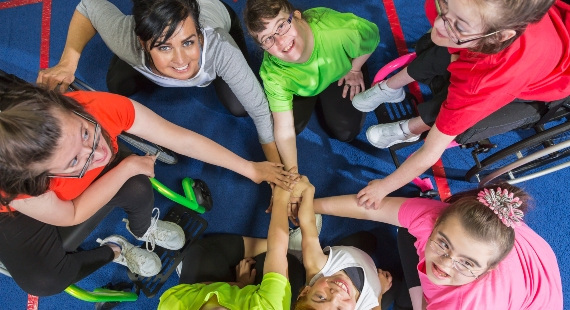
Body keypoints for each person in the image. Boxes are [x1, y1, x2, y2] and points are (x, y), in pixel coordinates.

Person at [0, 78, 294, 296]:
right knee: (44, 282)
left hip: (60, 197)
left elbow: (180, 139)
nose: (99, 152)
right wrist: (126, 166)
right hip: (27, 212)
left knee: (139, 187)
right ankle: (116, 250)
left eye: (86, 132)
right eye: (75, 159)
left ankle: (142, 228)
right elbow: (71, 213)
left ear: (70, 107)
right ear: (42, 177)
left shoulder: (99, 108)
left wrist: (249, 167)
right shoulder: (23, 185)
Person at [352, 0, 570, 208]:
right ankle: (391, 87)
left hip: (547, 78)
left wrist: (383, 187)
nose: (438, 22)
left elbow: (430, 152)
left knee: (454, 107)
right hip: (524, 34)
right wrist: (454, 26)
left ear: (500, 36)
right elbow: (450, 27)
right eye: (445, 5)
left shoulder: (483, 80)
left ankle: (412, 128)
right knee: (441, 44)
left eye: (459, 24)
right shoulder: (464, 16)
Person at [36, 0, 284, 166]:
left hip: (218, 16)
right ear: (142, 43)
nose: (181, 60)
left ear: (198, 34)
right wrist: (68, 62)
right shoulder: (126, 38)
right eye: (165, 47)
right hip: (143, 43)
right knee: (117, 84)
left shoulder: (220, 49)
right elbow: (89, 6)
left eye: (188, 42)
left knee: (239, 105)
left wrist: (277, 175)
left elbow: (261, 112)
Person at [311, 184, 563, 309]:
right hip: (530, 258)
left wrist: (376, 300)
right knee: (405, 235)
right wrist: (308, 204)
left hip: (536, 296)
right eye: (443, 244)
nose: (444, 263)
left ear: (487, 270)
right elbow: (369, 209)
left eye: (466, 262)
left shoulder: (464, 304)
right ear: (437, 221)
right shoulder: (436, 217)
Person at [244, 0, 380, 175]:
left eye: (281, 26)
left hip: (338, 74)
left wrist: (355, 68)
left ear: (297, 17)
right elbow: (284, 128)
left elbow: (373, 36)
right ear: (263, 47)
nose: (280, 41)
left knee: (346, 132)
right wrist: (293, 174)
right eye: (268, 39)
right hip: (303, 89)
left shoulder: (339, 32)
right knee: (289, 129)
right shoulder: (272, 72)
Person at [158, 176, 297, 309]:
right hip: (258, 300)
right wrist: (281, 197)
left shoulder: (173, 305)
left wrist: (239, 285)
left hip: (214, 293)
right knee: (290, 264)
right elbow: (277, 250)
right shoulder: (271, 307)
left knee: (198, 251)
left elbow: (204, 287)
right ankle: (293, 246)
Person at [291, 176, 393, 310]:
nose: (336, 295)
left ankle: (293, 247)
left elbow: (308, 224)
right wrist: (379, 291)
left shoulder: (317, 266)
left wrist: (308, 190)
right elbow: (377, 302)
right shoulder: (366, 305)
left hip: (349, 251)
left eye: (321, 297)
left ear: (306, 291)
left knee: (368, 239)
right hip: (368, 268)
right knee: (395, 286)